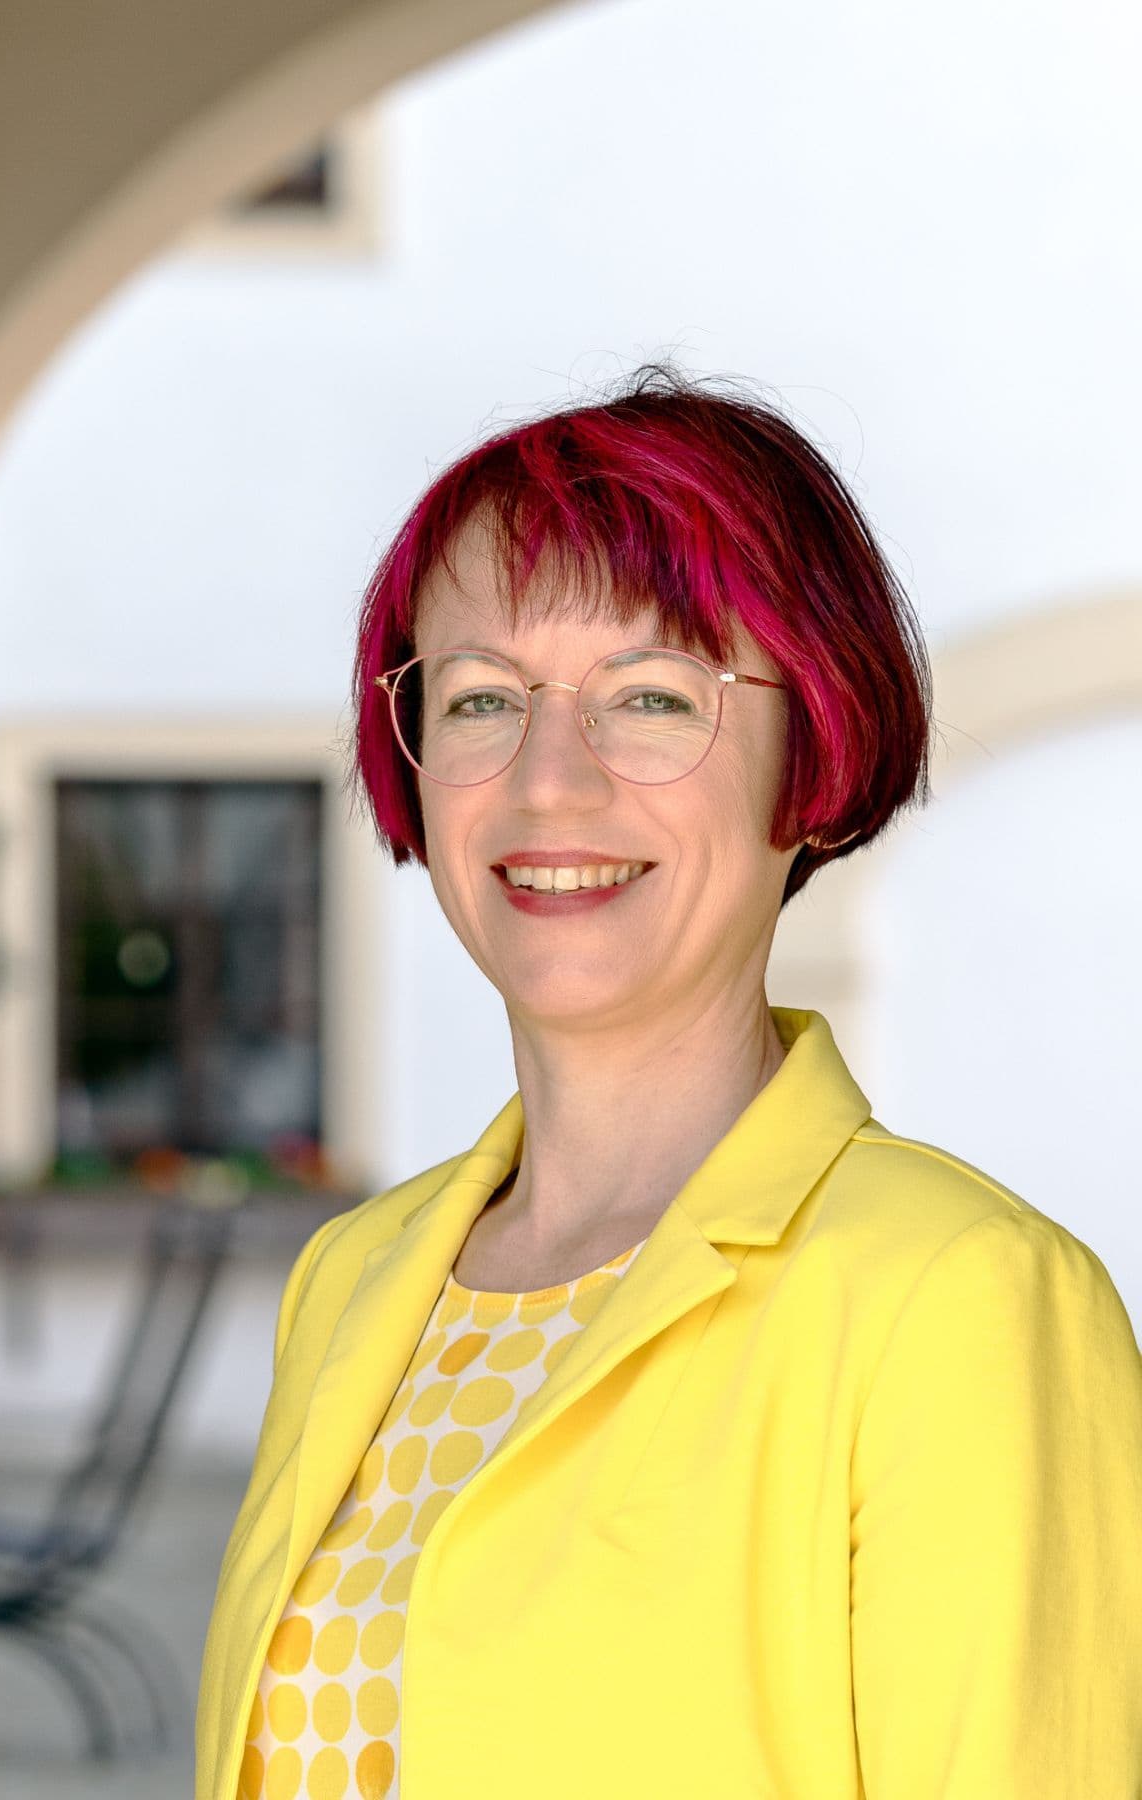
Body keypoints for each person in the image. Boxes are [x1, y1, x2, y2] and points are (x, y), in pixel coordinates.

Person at [195, 365, 1142, 1800]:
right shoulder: (351, 1280)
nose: (548, 782)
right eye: (480, 698)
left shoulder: (962, 1298)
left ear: (811, 752)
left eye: (650, 696)